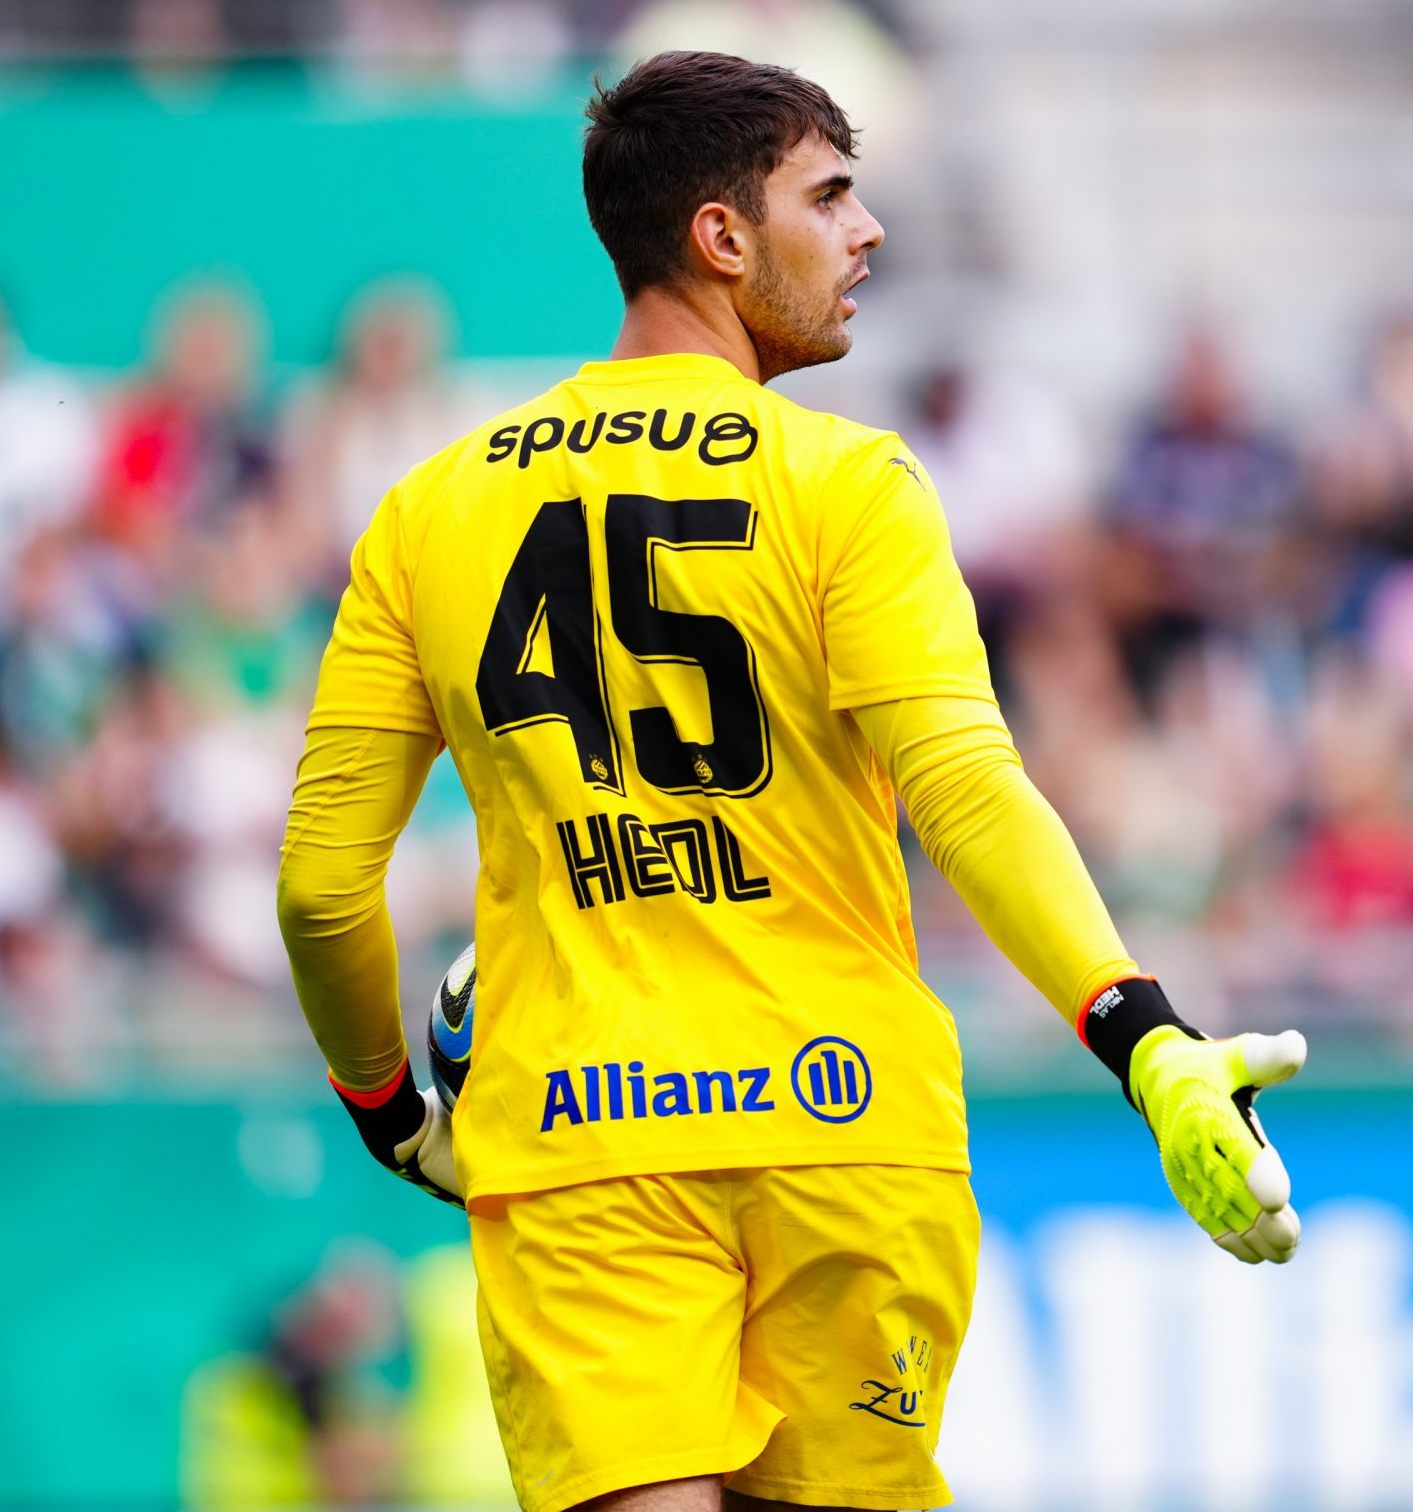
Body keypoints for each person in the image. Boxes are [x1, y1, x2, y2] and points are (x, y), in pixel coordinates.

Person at [277, 51, 1306, 1512]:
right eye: (829, 194)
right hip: (843, 1124)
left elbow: (322, 890)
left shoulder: (429, 513)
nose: (868, 228)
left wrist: (392, 1113)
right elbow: (967, 790)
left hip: (582, 1141)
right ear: (720, 235)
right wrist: (1144, 1039)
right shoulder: (847, 485)